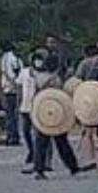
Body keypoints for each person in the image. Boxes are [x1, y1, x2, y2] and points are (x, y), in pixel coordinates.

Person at [27, 51, 91, 181]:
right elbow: (61, 98)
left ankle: (39, 169)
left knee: (41, 142)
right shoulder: (55, 79)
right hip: (57, 113)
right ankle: (72, 166)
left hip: (42, 112)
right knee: (62, 142)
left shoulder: (37, 77)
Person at [0, 41, 22, 146]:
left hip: (9, 88)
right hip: (15, 88)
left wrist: (13, 84)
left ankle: (11, 136)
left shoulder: (6, 58)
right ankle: (14, 136)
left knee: (10, 114)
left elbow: (7, 73)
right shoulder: (16, 59)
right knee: (14, 114)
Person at [16, 55, 37, 167]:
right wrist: (18, 101)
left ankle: (37, 153)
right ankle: (31, 150)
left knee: (37, 132)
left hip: (38, 106)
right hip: (25, 104)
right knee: (26, 131)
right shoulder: (24, 72)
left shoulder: (42, 74)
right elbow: (19, 87)